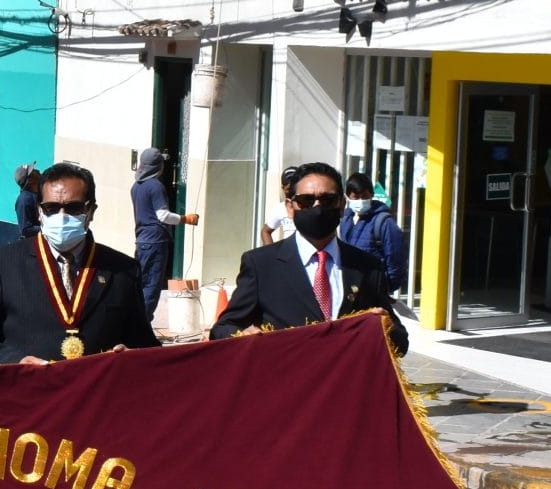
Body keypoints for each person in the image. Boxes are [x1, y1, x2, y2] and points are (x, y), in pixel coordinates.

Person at [0, 162, 159, 365]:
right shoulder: (2, 265)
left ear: (91, 211)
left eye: (74, 208)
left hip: (95, 393)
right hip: (29, 392)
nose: (62, 216)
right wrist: (16, 362)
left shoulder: (123, 270)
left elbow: (145, 344)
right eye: (51, 208)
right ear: (39, 211)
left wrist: (133, 355)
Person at [210, 161, 409, 353]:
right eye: (306, 201)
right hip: (285, 381)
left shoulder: (367, 266)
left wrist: (386, 327)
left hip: (345, 384)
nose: (317, 207)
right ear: (290, 207)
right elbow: (223, 328)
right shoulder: (261, 265)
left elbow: (400, 344)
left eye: (327, 200)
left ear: (341, 205)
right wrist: (242, 336)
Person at [129, 149, 189, 317]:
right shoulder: (155, 186)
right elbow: (163, 216)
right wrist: (185, 219)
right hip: (156, 240)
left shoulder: (136, 187)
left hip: (142, 240)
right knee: (151, 286)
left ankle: (137, 322)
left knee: (141, 283)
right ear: (157, 166)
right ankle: (143, 324)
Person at [338, 171, 406, 278]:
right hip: (350, 287)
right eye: (356, 197)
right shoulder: (345, 220)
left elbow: (396, 262)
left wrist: (384, 287)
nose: (360, 201)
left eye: (364, 196)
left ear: (372, 195)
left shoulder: (384, 223)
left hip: (373, 288)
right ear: (347, 197)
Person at [12, 164, 43, 239]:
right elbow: (26, 230)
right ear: (30, 180)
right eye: (33, 171)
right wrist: (46, 229)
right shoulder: (24, 200)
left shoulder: (40, 193)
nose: (38, 171)